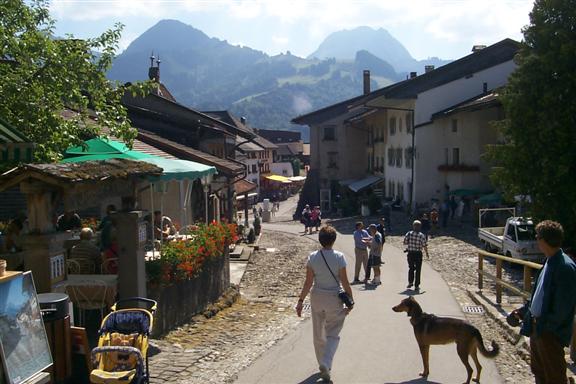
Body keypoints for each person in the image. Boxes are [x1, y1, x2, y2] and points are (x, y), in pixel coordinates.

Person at [506, 220, 576, 384]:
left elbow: (563, 308)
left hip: (548, 333)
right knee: (539, 372)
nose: (536, 240)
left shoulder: (565, 267)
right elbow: (539, 296)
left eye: (537, 236)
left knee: (554, 376)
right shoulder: (549, 262)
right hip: (538, 329)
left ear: (544, 240)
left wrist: (546, 328)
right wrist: (522, 313)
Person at [296, 225, 353, 382]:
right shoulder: (339, 257)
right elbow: (345, 282)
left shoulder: (312, 257)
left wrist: (300, 301)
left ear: (320, 240)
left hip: (317, 297)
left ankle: (322, 362)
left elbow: (308, 283)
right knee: (333, 333)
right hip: (334, 298)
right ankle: (326, 363)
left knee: (318, 333)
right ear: (334, 240)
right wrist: (350, 300)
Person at [403, 220, 429, 291]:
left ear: (413, 226)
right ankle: (417, 285)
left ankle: (410, 282)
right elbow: (424, 245)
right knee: (418, 269)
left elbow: (405, 242)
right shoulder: (422, 235)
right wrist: (427, 253)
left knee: (411, 268)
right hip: (418, 254)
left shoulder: (409, 233)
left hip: (411, 253)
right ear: (420, 227)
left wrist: (410, 244)